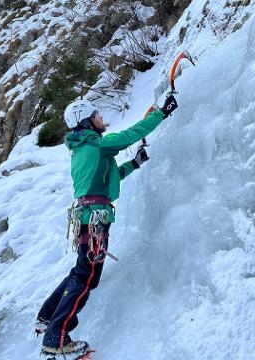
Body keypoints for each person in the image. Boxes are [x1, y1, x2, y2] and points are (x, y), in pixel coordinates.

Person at [37, 94, 178, 357]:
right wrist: (161, 113)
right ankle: (56, 337)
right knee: (86, 277)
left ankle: (47, 316)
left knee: (81, 271)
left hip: (87, 217)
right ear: (87, 121)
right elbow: (130, 134)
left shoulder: (83, 150)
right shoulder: (97, 145)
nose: (102, 118)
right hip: (95, 221)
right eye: (97, 114)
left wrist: (134, 164)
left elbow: (106, 184)